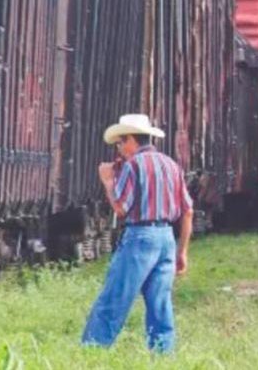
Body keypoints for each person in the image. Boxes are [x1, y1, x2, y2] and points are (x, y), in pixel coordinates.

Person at [81, 114, 194, 353]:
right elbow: (188, 212)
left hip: (141, 237)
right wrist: (182, 251)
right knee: (160, 306)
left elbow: (121, 208)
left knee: (115, 298)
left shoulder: (133, 166)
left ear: (131, 139)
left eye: (120, 143)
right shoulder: (171, 164)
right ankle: (163, 358)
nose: (119, 149)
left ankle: (91, 353)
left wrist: (109, 181)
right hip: (166, 239)